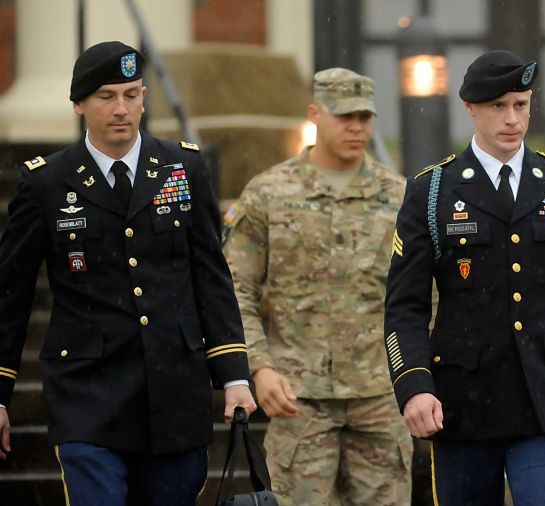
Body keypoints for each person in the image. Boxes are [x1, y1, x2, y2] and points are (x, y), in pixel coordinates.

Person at [0, 41, 256, 505]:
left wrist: (234, 374)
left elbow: (211, 278)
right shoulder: (47, 183)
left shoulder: (183, 168)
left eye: (132, 94)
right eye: (106, 97)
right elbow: (10, 295)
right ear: (78, 104)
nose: (122, 109)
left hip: (173, 391)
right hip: (87, 393)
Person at [384, 49, 545, 506]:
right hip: (463, 404)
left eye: (521, 105)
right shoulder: (433, 191)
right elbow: (404, 307)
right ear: (470, 108)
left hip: (544, 399)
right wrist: (413, 386)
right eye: (498, 107)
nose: (512, 119)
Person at [222, 67, 411, 505]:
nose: (356, 127)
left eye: (365, 117)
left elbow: (425, 296)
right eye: (344, 116)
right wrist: (259, 368)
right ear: (315, 114)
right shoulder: (270, 193)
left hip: (380, 396)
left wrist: (416, 373)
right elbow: (235, 291)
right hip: (297, 400)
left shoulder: (399, 197)